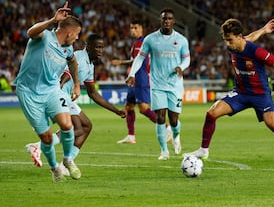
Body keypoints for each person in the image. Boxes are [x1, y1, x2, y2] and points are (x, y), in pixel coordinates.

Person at [183, 18, 274, 168]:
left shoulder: (256, 51)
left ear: (239, 36)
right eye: (225, 40)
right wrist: (263, 30)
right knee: (211, 113)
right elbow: (251, 36)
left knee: (273, 124)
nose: (227, 44)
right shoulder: (234, 45)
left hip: (260, 94)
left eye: (230, 40)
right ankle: (204, 150)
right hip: (241, 93)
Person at [25, 33, 127, 171]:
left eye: (102, 48)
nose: (100, 51)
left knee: (86, 127)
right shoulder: (79, 56)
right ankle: (39, 146)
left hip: (63, 95)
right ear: (88, 46)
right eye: (97, 47)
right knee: (77, 128)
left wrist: (116, 111)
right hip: (58, 93)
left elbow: (93, 93)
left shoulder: (90, 66)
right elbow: (65, 75)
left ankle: (66, 162)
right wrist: (53, 97)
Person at [14, 2, 82, 182]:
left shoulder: (68, 49)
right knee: (45, 136)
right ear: (69, 32)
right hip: (28, 92)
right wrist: (53, 19)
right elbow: (30, 32)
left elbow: (73, 62)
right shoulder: (44, 37)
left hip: (52, 89)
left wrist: (76, 84)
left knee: (67, 125)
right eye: (76, 35)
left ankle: (67, 159)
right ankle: (54, 167)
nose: (77, 38)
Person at [126, 9, 190, 160]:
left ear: (173, 21)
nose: (166, 21)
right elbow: (140, 58)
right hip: (157, 85)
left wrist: (182, 67)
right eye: (164, 19)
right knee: (160, 117)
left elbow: (187, 59)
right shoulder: (150, 39)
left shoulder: (181, 40)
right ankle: (163, 151)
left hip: (175, 85)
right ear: (160, 21)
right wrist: (131, 74)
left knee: (173, 120)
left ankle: (176, 135)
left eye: (169, 19)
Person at [112, 19, 171, 144]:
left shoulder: (141, 42)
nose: (133, 30)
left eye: (135, 28)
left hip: (141, 78)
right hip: (135, 78)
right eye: (131, 28)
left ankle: (167, 129)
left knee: (144, 109)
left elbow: (138, 60)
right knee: (129, 106)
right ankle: (131, 136)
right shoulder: (137, 42)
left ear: (141, 29)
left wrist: (121, 62)